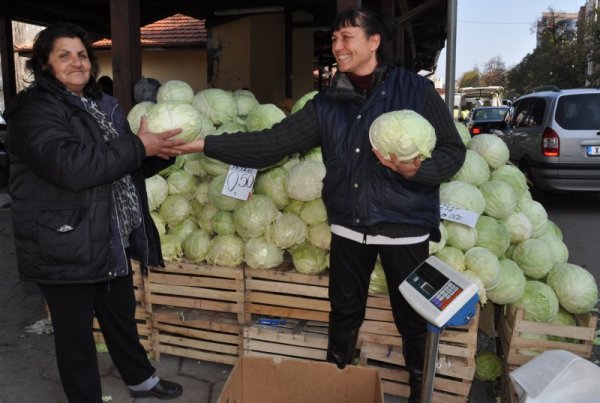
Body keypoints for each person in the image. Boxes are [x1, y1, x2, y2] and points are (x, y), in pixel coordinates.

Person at [175, 7, 466, 402]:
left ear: (374, 40)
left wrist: (417, 171)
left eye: (346, 37)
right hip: (348, 226)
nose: (337, 46)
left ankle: (419, 392)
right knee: (344, 312)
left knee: (412, 316)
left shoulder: (415, 91)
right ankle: (338, 385)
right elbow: (272, 144)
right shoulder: (329, 103)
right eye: (334, 38)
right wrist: (203, 143)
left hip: (404, 227)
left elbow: (452, 152)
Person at [3, 23, 185, 402]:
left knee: (120, 317)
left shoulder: (101, 105)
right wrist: (138, 147)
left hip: (107, 234)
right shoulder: (34, 109)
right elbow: (72, 166)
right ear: (44, 65)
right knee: (75, 337)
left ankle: (141, 381)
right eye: (64, 55)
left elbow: (117, 165)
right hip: (63, 239)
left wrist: (156, 156)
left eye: (82, 55)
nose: (77, 63)